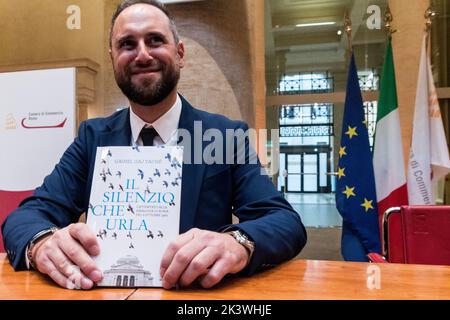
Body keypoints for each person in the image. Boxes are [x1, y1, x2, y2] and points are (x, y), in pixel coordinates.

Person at [1, 0, 306, 290]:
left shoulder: (225, 136)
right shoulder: (92, 138)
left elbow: (285, 222)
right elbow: (25, 218)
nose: (142, 54)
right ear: (112, 59)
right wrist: (41, 243)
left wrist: (238, 243)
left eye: (155, 40)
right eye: (127, 44)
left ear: (180, 54)